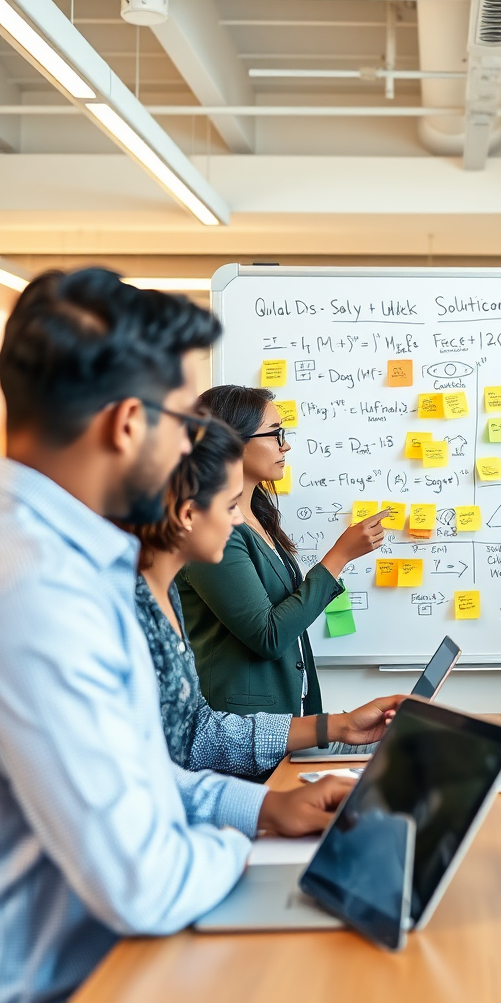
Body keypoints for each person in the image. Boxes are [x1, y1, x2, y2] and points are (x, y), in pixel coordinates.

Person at [0, 270, 350, 1003]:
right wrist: (242, 845)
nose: (196, 449)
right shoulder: (41, 590)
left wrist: (263, 809)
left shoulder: (65, 560)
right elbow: (145, 882)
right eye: (183, 423)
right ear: (129, 424)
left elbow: (137, 771)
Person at [126, 416, 404, 775]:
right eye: (230, 506)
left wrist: (339, 726)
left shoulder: (165, 601)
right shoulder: (127, 612)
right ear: (188, 513)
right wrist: (338, 557)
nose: (237, 521)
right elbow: (268, 635)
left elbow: (197, 736)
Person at [177, 384, 385, 718]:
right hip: (240, 727)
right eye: (275, 434)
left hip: (287, 716)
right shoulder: (209, 529)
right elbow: (269, 636)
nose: (285, 445)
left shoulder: (257, 517)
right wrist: (339, 557)